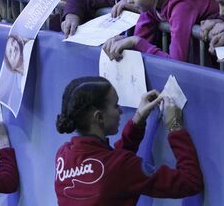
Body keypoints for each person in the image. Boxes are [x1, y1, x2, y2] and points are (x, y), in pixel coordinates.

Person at [54, 76, 203, 205]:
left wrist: (137, 121)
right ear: (99, 117)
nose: (120, 111)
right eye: (115, 106)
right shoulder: (120, 167)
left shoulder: (63, 155)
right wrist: (175, 127)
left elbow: (111, 168)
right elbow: (190, 182)